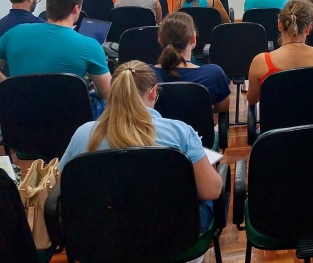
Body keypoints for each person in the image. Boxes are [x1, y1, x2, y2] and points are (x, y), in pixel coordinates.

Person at [60, 61, 222, 234]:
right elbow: (211, 190)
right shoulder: (179, 132)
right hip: (172, 235)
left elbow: (63, 187)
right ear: (153, 92)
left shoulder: (82, 135)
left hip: (104, 237)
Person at [0, 0, 111, 118]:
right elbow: (108, 93)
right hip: (69, 126)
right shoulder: (90, 46)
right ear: (76, 9)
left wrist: (8, 85)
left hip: (19, 121)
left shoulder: (13, 33)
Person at [246, 0, 313, 106]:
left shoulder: (260, 62)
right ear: (308, 28)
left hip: (277, 122)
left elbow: (252, 99)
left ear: (279, 24)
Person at [153, 12, 231, 113]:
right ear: (193, 39)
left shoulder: (147, 75)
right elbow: (222, 108)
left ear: (160, 40)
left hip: (160, 129)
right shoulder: (214, 74)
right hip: (200, 129)